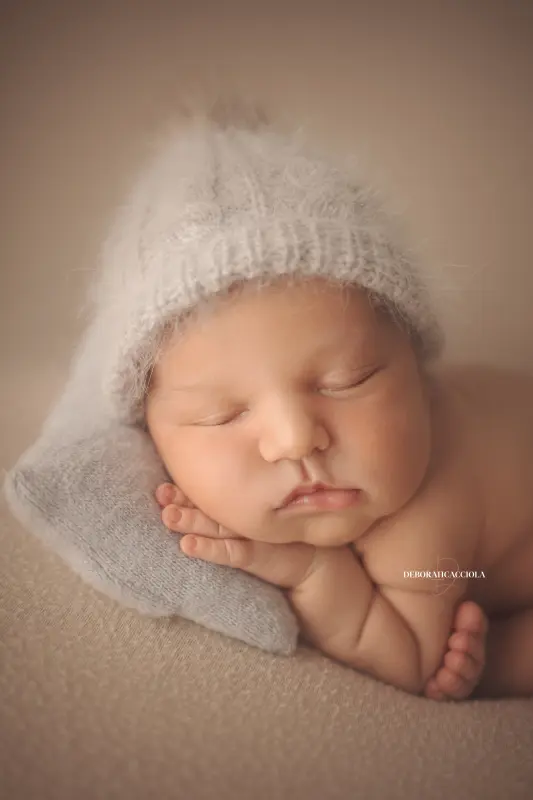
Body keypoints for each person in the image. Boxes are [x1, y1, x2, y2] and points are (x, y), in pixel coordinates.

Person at [97, 100, 532, 699]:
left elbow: (412, 660)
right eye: (222, 415)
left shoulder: (420, 528)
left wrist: (311, 569)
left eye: (346, 381)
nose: (296, 438)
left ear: (417, 369)